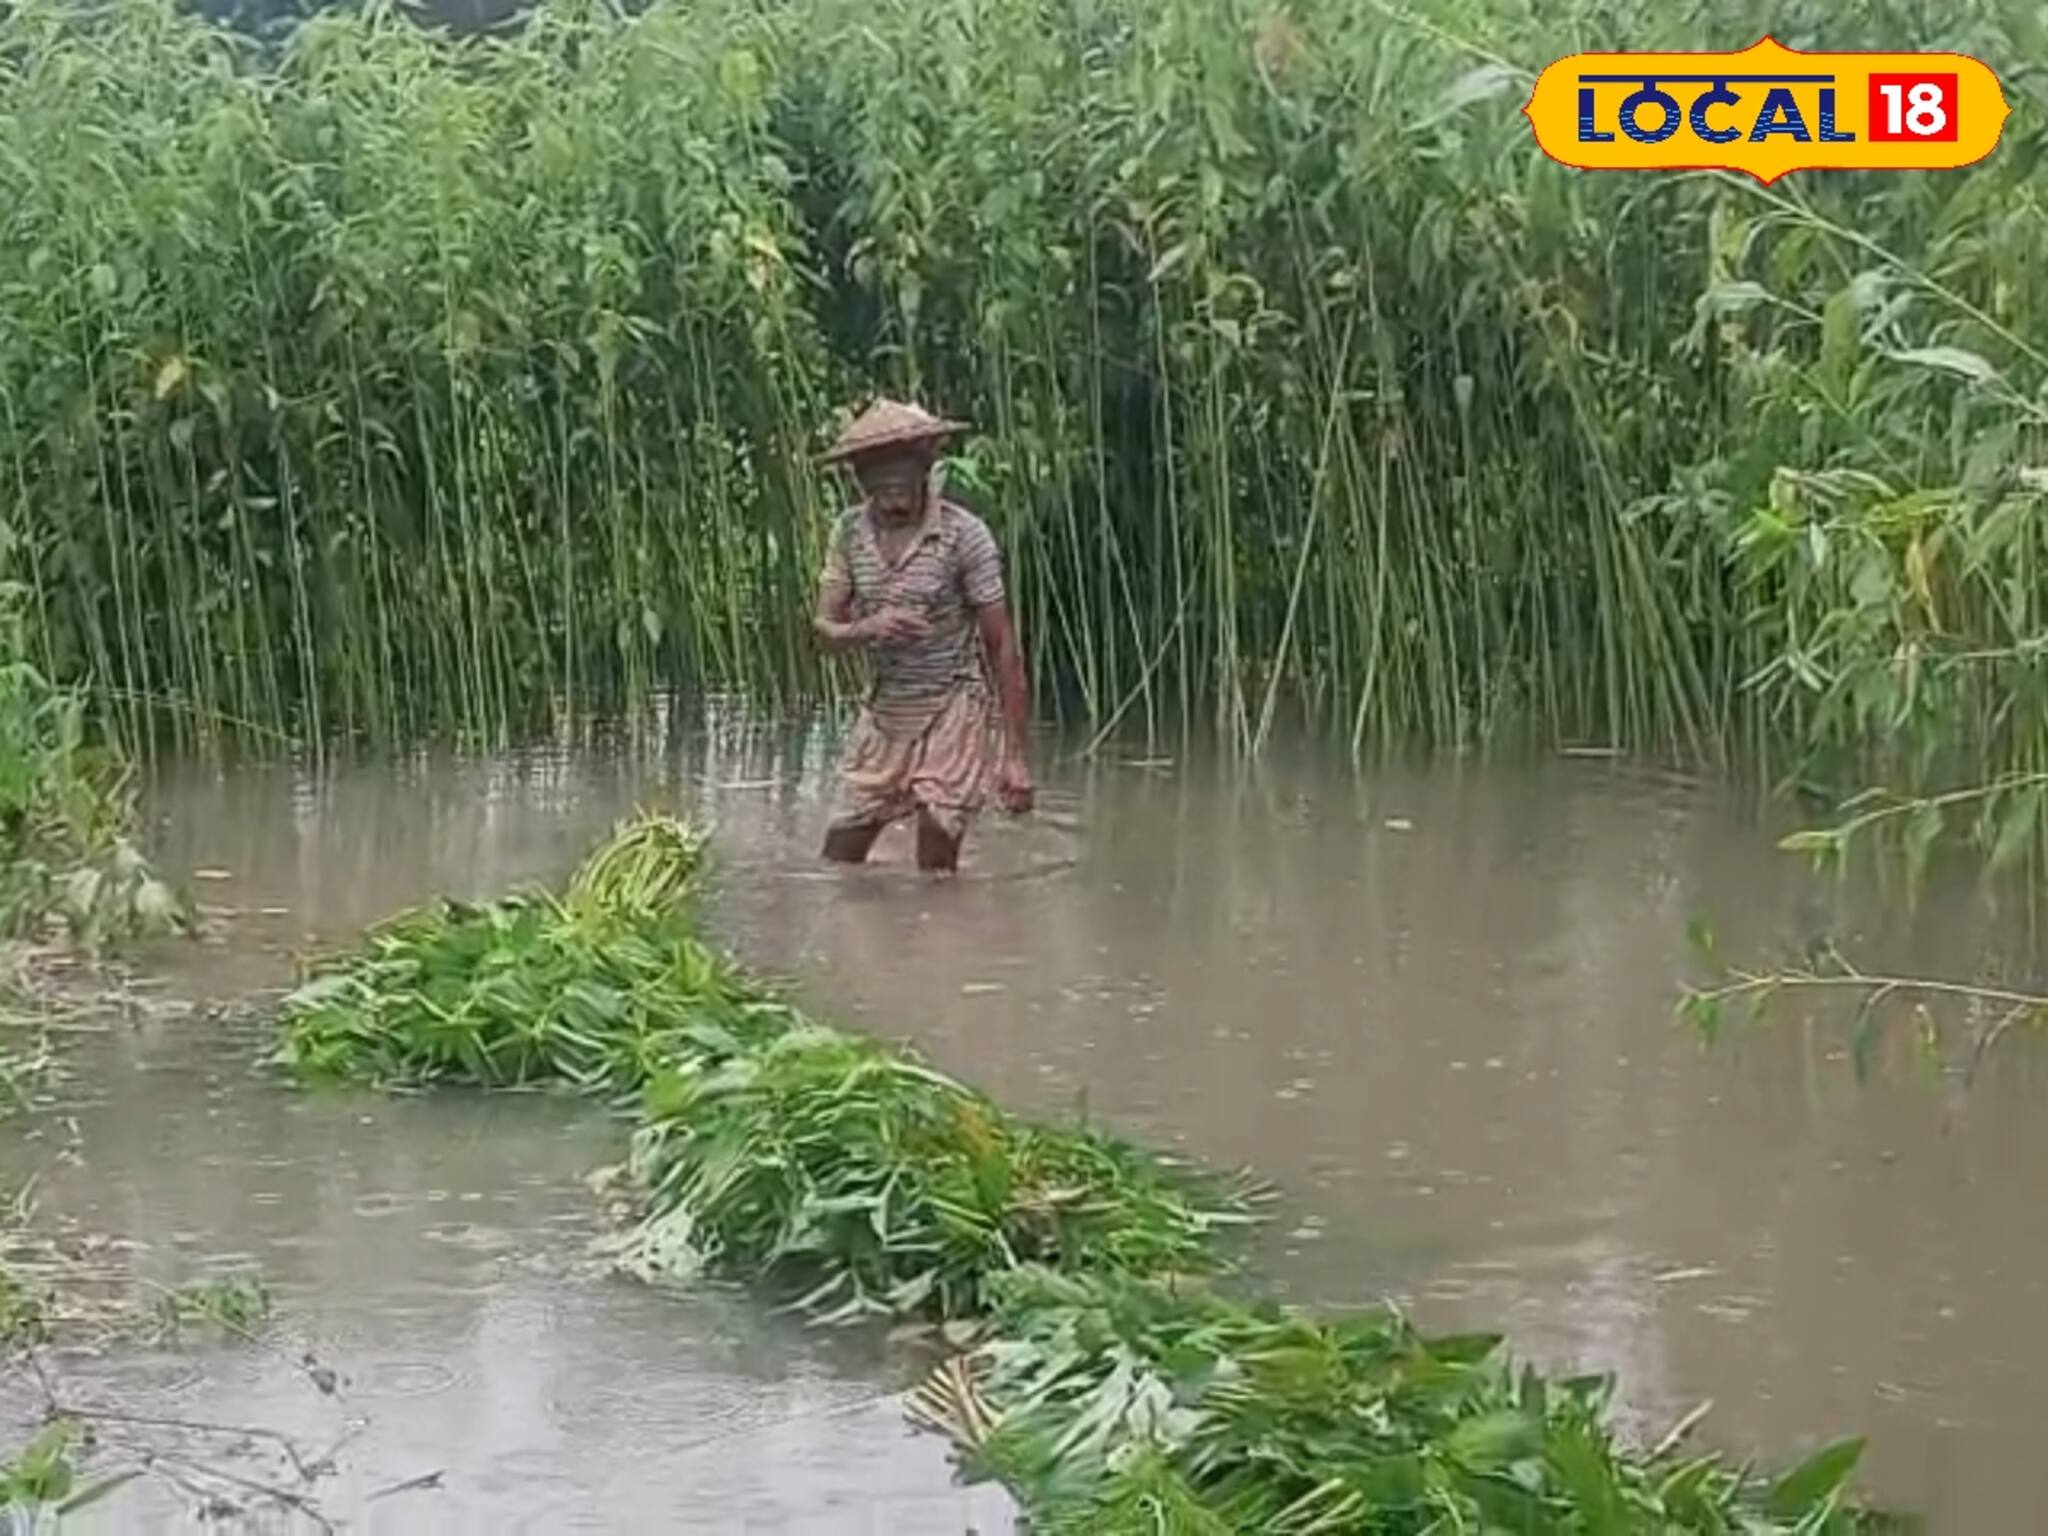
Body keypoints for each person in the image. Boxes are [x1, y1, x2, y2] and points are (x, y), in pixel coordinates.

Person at [812, 399, 1034, 872]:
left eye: (901, 469)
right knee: (842, 848)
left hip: (952, 699)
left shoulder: (963, 535)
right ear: (859, 477)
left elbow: (1002, 645)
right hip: (888, 704)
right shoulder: (849, 533)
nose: (891, 484)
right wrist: (867, 628)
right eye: (876, 472)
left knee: (938, 829)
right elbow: (825, 630)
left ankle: (939, 935)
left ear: (925, 466)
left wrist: (1014, 757)